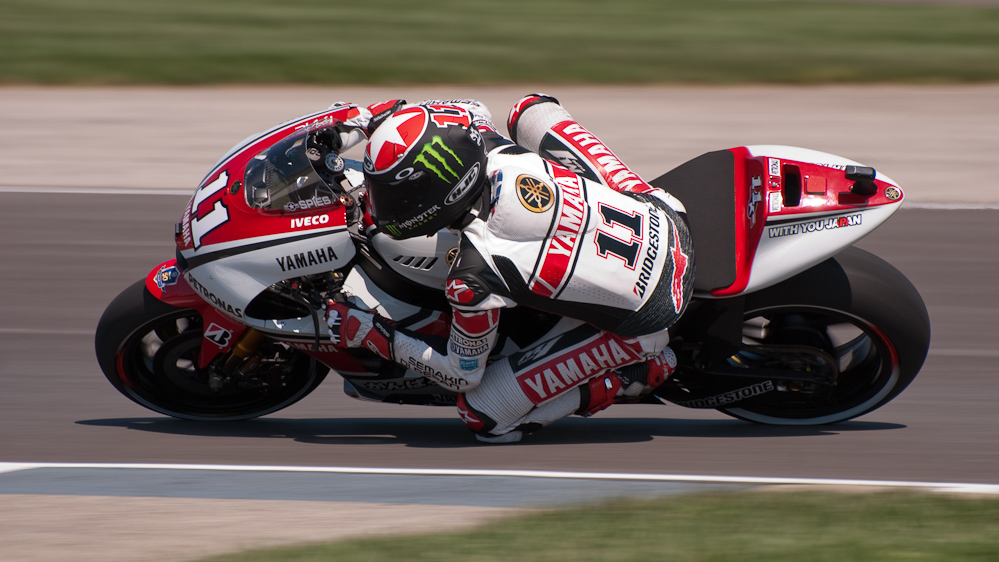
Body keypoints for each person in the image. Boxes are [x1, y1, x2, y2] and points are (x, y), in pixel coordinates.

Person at [324, 94, 694, 443]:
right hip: (666, 214)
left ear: (439, 193)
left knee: (483, 415)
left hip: (652, 314)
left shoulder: (473, 273)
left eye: (395, 195)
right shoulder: (484, 140)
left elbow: (460, 374)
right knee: (530, 109)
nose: (379, 203)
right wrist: (376, 119)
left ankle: (631, 375)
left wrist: (372, 333)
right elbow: (472, 107)